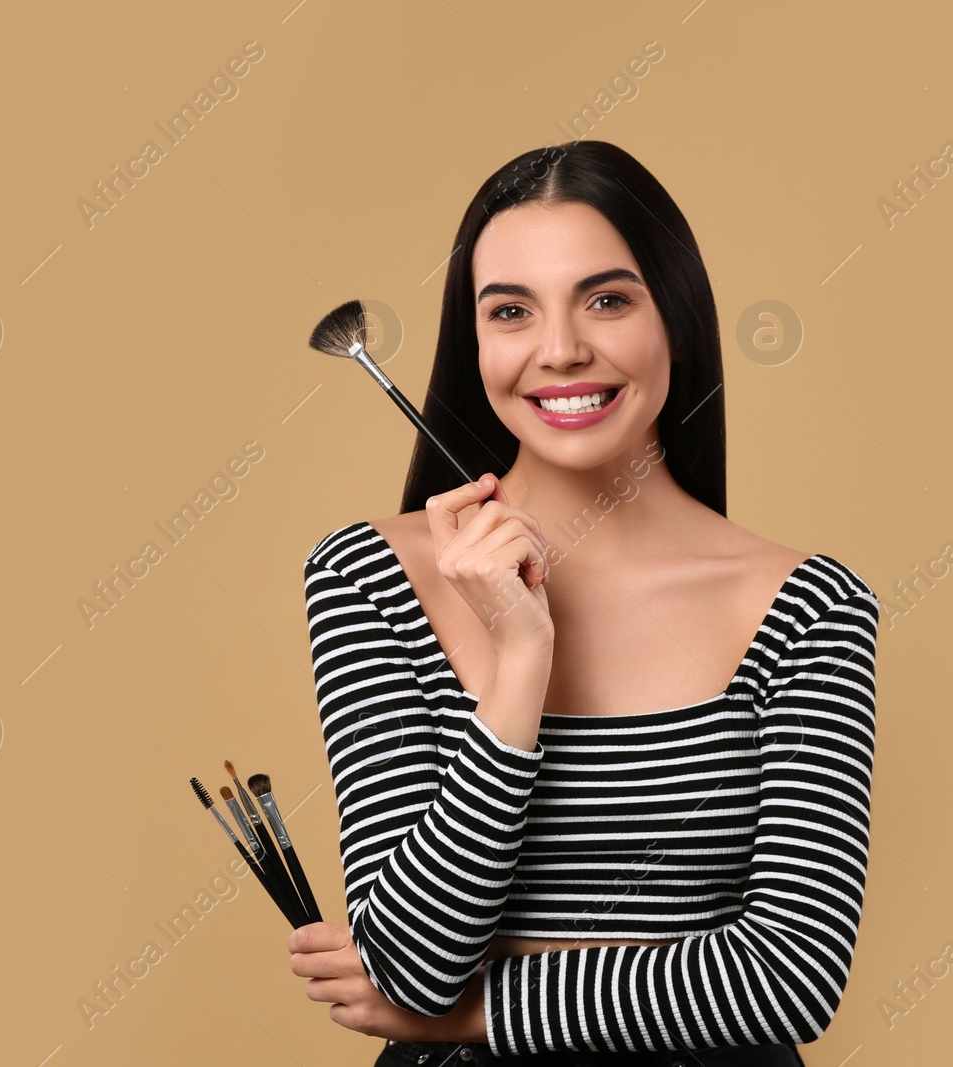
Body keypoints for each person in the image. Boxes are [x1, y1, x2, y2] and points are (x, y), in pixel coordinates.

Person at [293, 141, 880, 1066]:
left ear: (674, 317)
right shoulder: (371, 576)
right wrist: (520, 660)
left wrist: (469, 1016)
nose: (561, 350)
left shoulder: (809, 606)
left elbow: (790, 975)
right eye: (512, 311)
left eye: (607, 299)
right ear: (475, 342)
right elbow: (412, 963)